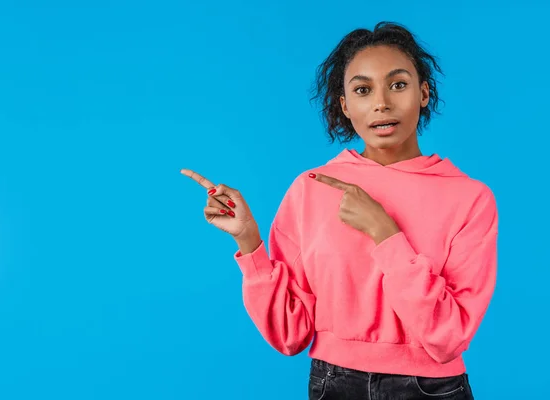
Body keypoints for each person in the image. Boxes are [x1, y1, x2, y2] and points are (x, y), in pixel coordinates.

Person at [181, 21, 497, 400]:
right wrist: (249, 241)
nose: (381, 103)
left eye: (398, 84)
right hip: (334, 384)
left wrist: (385, 233)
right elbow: (289, 334)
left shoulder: (469, 198)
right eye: (363, 90)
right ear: (345, 105)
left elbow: (448, 338)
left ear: (424, 93)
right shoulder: (311, 188)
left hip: (432, 388)